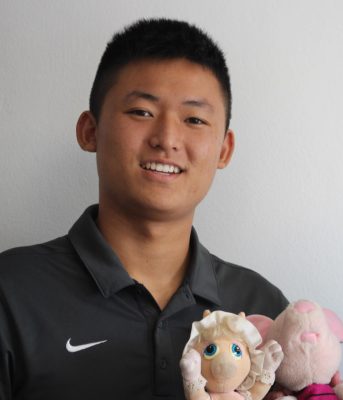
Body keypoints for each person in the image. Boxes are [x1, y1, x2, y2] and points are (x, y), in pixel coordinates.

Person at [0, 18, 288, 400]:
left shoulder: (262, 307)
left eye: (195, 119)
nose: (167, 139)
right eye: (141, 112)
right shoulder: (11, 292)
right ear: (90, 131)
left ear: (224, 150)